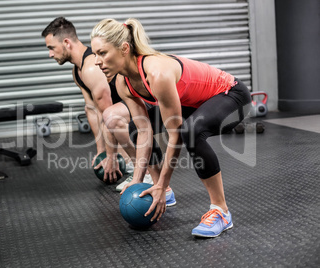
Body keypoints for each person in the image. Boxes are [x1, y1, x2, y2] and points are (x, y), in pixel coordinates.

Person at [90, 18, 252, 237]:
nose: (97, 62)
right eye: (95, 54)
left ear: (124, 49)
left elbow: (175, 135)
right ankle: (161, 190)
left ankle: (220, 210)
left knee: (190, 131)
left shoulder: (157, 73)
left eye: (102, 53)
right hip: (194, 103)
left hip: (232, 96)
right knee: (135, 128)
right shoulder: (123, 82)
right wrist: (137, 180)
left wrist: (165, 179)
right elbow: (144, 130)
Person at [41, 17, 178, 207]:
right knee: (111, 118)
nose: (50, 54)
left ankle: (146, 172)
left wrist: (112, 156)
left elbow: (106, 114)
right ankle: (139, 167)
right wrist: (101, 153)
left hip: (146, 103)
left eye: (51, 47)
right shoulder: (77, 71)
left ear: (66, 42)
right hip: (125, 110)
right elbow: (92, 109)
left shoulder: (90, 68)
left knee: (112, 118)